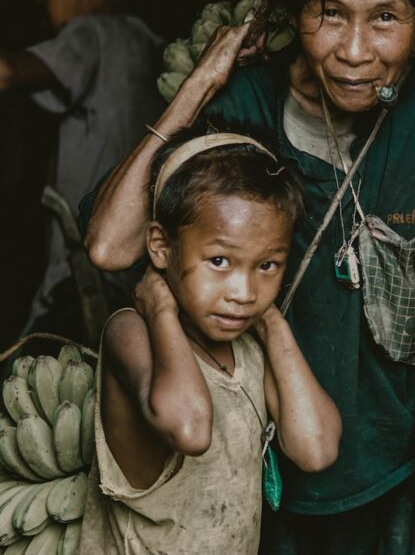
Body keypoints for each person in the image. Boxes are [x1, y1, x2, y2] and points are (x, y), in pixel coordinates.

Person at [83, 0, 415, 554]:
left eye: (386, 19)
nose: (356, 50)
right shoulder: (246, 102)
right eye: (330, 14)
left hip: (410, 465)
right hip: (265, 468)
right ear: (292, 12)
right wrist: (200, 84)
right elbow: (109, 246)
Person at [79, 131, 341, 554]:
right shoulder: (130, 333)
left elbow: (316, 449)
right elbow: (190, 428)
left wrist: (272, 322)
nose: (242, 290)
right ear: (161, 247)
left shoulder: (251, 348)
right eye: (220, 261)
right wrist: (160, 310)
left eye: (267, 265)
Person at [0, 0, 165, 333]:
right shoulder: (152, 43)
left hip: (86, 267)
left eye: (47, 2)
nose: (49, 22)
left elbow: (6, 72)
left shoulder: (91, 32)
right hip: (136, 262)